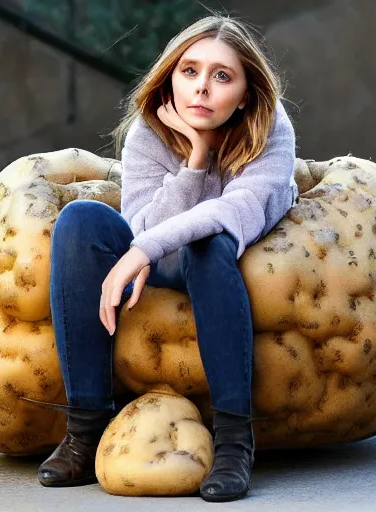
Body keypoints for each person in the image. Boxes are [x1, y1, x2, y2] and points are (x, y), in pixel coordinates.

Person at [21, 11, 298, 503]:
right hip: (163, 262)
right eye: (189, 71)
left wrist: (144, 246)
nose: (201, 89)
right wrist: (195, 159)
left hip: (224, 263)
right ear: (171, 75)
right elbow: (141, 228)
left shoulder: (270, 129)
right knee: (81, 220)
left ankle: (235, 443)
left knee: (208, 240)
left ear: (246, 94)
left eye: (222, 76)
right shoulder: (149, 132)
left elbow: (239, 210)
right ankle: (84, 432)